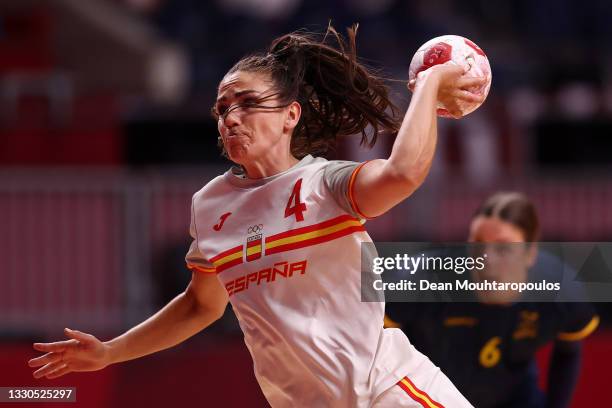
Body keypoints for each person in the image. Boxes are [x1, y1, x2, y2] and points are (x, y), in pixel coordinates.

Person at [28, 26, 486, 407]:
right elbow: (201, 304)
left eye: (247, 103)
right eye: (222, 108)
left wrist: (428, 85)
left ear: (290, 115)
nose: (230, 117)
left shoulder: (325, 184)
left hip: (389, 392)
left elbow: (404, 173)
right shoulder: (210, 206)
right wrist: (110, 352)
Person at [386, 192, 599, 408]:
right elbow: (372, 344)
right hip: (425, 397)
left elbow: (569, 350)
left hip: (513, 397)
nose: (486, 259)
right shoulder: (421, 278)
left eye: (503, 247)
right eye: (478, 243)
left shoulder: (561, 291)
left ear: (530, 253)